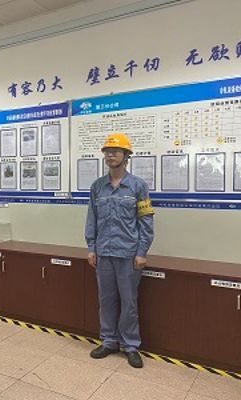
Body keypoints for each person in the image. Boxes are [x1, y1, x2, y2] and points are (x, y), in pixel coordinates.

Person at [85, 133, 154, 368]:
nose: (110, 155)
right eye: (107, 151)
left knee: (129, 302)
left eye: (115, 151)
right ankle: (109, 341)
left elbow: (146, 221)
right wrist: (91, 247)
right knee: (106, 301)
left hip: (129, 255)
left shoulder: (138, 186)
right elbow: (92, 219)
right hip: (103, 253)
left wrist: (142, 251)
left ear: (126, 156)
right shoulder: (97, 187)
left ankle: (130, 345)